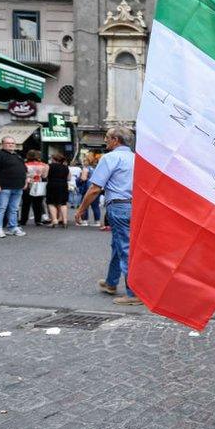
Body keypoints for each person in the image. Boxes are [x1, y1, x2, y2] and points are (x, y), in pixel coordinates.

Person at [75, 128, 142, 306]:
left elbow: (96, 188)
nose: (105, 141)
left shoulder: (110, 158)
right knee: (118, 244)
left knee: (124, 247)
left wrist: (81, 209)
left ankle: (133, 293)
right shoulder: (138, 159)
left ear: (115, 140)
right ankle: (111, 282)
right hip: (136, 206)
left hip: (119, 206)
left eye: (107, 138)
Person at [0, 136, 28, 238]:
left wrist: (25, 182)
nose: (11, 145)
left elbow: (24, 171)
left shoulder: (18, 157)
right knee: (1, 208)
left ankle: (12, 227)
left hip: (18, 186)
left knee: (14, 209)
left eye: (12, 143)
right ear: (3, 144)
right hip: (3, 186)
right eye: (8, 143)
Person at [20, 150, 48, 226]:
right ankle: (38, 220)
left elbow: (22, 175)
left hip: (27, 184)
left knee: (26, 204)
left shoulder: (24, 165)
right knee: (38, 204)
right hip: (38, 184)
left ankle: (23, 220)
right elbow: (44, 176)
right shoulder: (44, 165)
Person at [45, 153, 70, 228]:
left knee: (51, 203)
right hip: (63, 185)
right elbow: (69, 178)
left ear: (54, 159)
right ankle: (65, 221)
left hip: (52, 185)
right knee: (63, 203)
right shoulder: (66, 167)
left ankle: (55, 220)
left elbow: (45, 175)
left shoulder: (49, 166)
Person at [77, 153, 102, 226]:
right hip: (96, 188)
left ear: (87, 161)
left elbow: (83, 178)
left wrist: (79, 179)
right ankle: (97, 221)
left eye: (84, 160)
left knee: (85, 204)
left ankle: (85, 220)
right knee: (96, 206)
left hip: (87, 189)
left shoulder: (86, 168)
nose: (83, 162)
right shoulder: (97, 168)